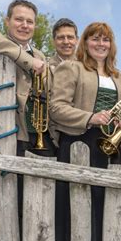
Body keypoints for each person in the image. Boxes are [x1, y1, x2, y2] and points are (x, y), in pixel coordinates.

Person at [49, 22, 121, 241]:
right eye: (95, 39)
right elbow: (56, 108)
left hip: (110, 149)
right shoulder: (71, 67)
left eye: (105, 40)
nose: (100, 44)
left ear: (111, 45)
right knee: (75, 211)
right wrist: (90, 117)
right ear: (85, 43)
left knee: (104, 211)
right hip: (79, 145)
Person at [0, 0, 46, 156]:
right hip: (6, 127)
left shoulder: (40, 54)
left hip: (36, 131)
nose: (25, 25)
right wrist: (27, 60)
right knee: (8, 179)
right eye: (19, 19)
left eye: (30, 22)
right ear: (7, 21)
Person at [47, 18, 79, 149]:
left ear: (76, 39)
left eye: (70, 37)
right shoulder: (44, 67)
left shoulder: (89, 68)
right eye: (61, 38)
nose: (66, 42)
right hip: (51, 135)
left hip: (81, 132)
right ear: (54, 41)